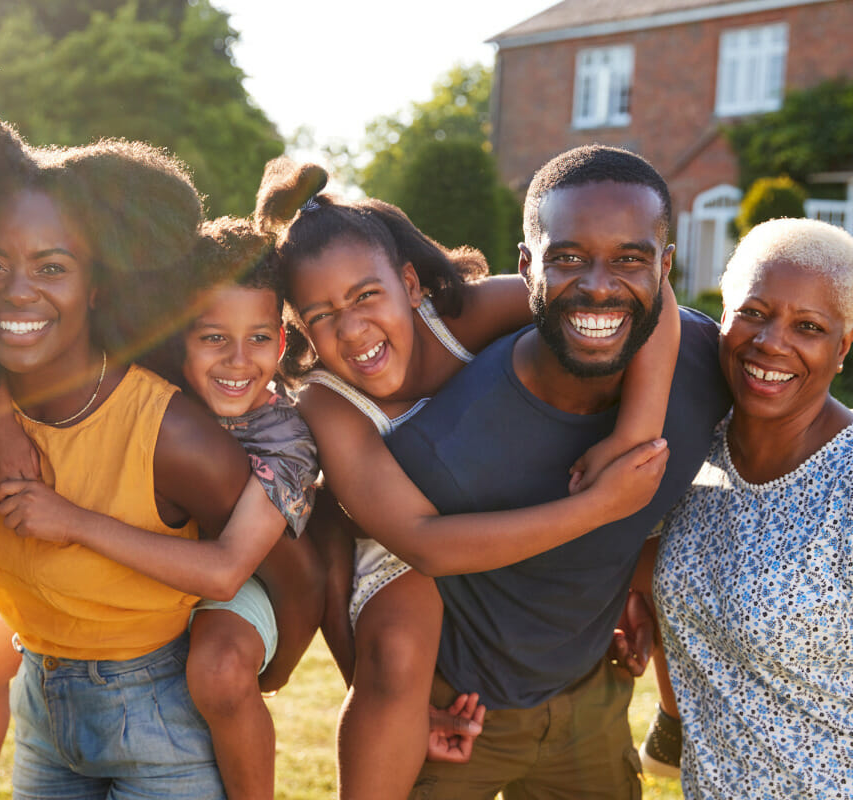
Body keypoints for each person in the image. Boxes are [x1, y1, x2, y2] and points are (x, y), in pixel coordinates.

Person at [255, 155, 680, 799]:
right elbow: (423, 541)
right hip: (400, 543)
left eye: (367, 296)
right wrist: (598, 506)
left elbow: (640, 296)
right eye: (321, 315)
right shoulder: (329, 401)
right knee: (397, 653)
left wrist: (630, 437)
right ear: (299, 327)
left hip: (508, 511)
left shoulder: (467, 316)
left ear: (411, 284)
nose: (353, 329)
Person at [0, 126, 274, 798]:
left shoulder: (174, 437)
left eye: (52, 267)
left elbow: (283, 562)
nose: (17, 291)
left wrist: (257, 669)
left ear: (97, 288)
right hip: (42, 704)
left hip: (163, 713)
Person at [378, 144, 732, 799]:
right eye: (567, 257)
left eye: (630, 259)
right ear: (525, 266)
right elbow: (357, 569)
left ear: (666, 268)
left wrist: (640, 577)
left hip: (593, 702)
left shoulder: (705, 366)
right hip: (460, 715)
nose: (599, 284)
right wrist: (394, 701)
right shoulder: (440, 440)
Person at [0, 214, 323, 800]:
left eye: (260, 338)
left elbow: (230, 571)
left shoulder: (284, 443)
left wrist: (72, 521)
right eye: (214, 337)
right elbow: (2, 334)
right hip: (106, 627)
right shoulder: (153, 378)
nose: (238, 360)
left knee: (219, 669)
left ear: (282, 337)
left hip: (241, 572)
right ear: (181, 336)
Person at [652, 218, 853, 799]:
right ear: (723, 315)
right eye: (754, 313)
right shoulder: (694, 449)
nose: (770, 343)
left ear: (841, 348)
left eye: (808, 327)